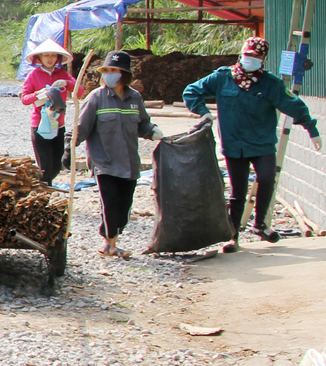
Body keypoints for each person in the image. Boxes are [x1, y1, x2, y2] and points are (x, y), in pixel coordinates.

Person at [183, 36, 321, 252]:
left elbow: (294, 106)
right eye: (248, 54)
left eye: (256, 56)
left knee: (267, 179)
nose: (250, 59)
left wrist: (311, 129)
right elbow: (191, 91)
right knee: (238, 192)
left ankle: (260, 225)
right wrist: (204, 113)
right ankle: (233, 236)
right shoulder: (222, 78)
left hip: (262, 143)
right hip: (234, 145)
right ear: (241, 54)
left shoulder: (271, 84)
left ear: (263, 59)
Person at [67, 50, 163, 259]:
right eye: (106, 71)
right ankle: (108, 244)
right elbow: (80, 127)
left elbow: (142, 124)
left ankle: (114, 239)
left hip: (129, 162)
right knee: (109, 202)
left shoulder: (134, 98)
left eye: (114, 71)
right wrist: (69, 147)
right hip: (105, 162)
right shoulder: (97, 98)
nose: (109, 74)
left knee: (124, 206)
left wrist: (152, 131)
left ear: (124, 74)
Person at [21, 39, 77, 184]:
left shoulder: (62, 73)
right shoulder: (33, 75)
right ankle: (44, 197)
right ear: (40, 58)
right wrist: (39, 94)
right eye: (46, 55)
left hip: (58, 125)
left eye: (53, 55)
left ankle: (41, 187)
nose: (50, 58)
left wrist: (66, 83)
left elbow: (80, 90)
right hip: (40, 125)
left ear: (58, 58)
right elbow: (25, 99)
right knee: (45, 166)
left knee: (57, 165)